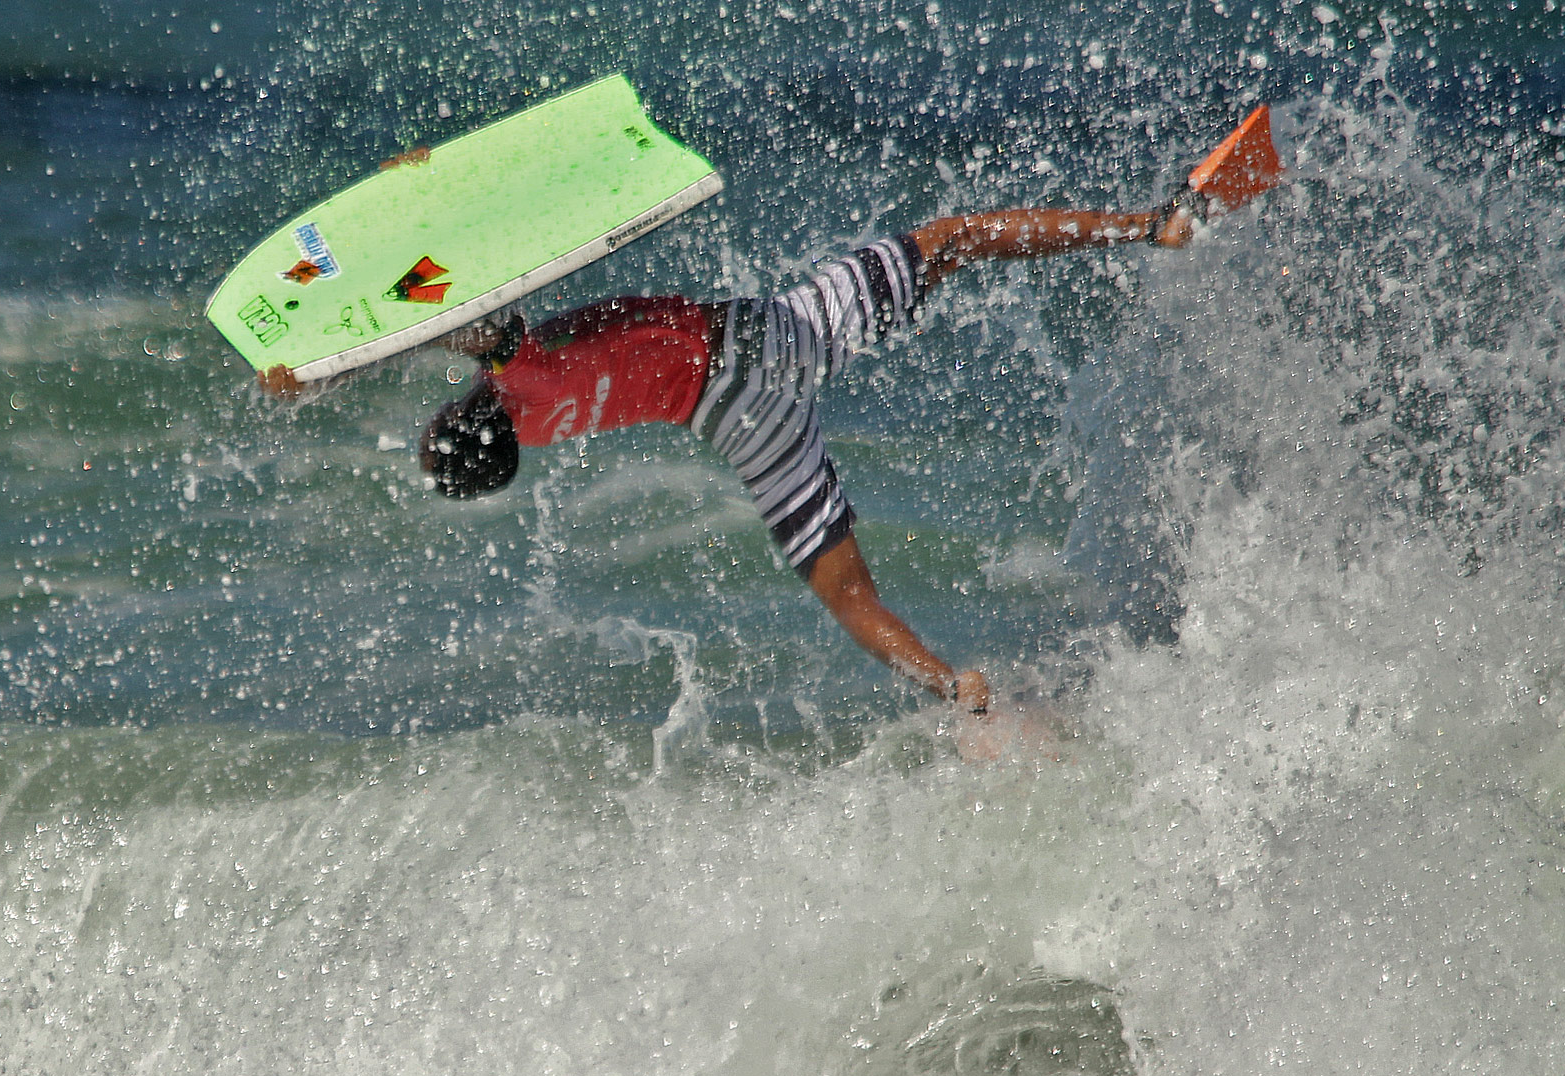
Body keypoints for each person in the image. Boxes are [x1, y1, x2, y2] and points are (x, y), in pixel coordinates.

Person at [417, 200, 1204, 716]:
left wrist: (349, 358)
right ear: (463, 413)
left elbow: (490, 342)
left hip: (740, 421)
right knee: (952, 241)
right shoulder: (520, 375)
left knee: (847, 594)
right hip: (764, 339)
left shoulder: (535, 430)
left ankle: (956, 689)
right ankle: (1152, 225)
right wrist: (402, 283)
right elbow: (476, 324)